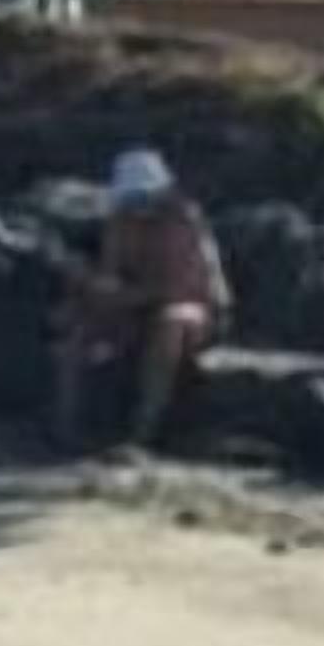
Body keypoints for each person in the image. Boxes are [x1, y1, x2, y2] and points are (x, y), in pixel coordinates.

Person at [50, 145, 231, 452]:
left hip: (193, 308)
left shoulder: (183, 221)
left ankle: (142, 433)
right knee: (78, 327)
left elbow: (180, 288)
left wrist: (126, 296)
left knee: (168, 324)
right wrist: (92, 286)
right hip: (137, 304)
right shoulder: (120, 221)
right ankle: (66, 427)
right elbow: (112, 271)